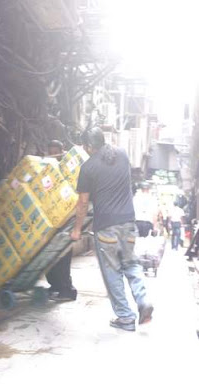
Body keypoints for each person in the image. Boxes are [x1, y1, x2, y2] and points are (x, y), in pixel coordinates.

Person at [70, 127, 153, 331]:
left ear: (89, 147)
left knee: (112, 271)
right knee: (131, 264)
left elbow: (82, 202)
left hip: (106, 226)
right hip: (128, 222)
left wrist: (76, 229)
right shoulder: (123, 155)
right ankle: (143, 301)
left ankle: (125, 317)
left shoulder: (88, 168)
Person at [45, 140, 77, 301]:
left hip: (66, 221)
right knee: (49, 257)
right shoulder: (47, 171)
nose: (53, 155)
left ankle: (67, 289)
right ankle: (55, 286)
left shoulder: (66, 171)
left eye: (55, 152)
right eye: (50, 152)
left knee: (63, 257)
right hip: (51, 221)